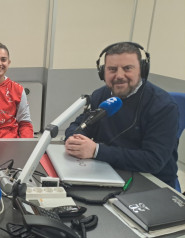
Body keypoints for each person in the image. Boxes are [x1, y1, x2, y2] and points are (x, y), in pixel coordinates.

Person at [64, 42, 180, 190]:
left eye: (127, 68)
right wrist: (75, 140)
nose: (119, 76)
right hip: (108, 171)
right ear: (102, 72)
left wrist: (96, 151)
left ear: (142, 71)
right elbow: (79, 125)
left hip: (151, 182)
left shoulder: (163, 106)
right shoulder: (101, 95)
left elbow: (153, 161)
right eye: (112, 69)